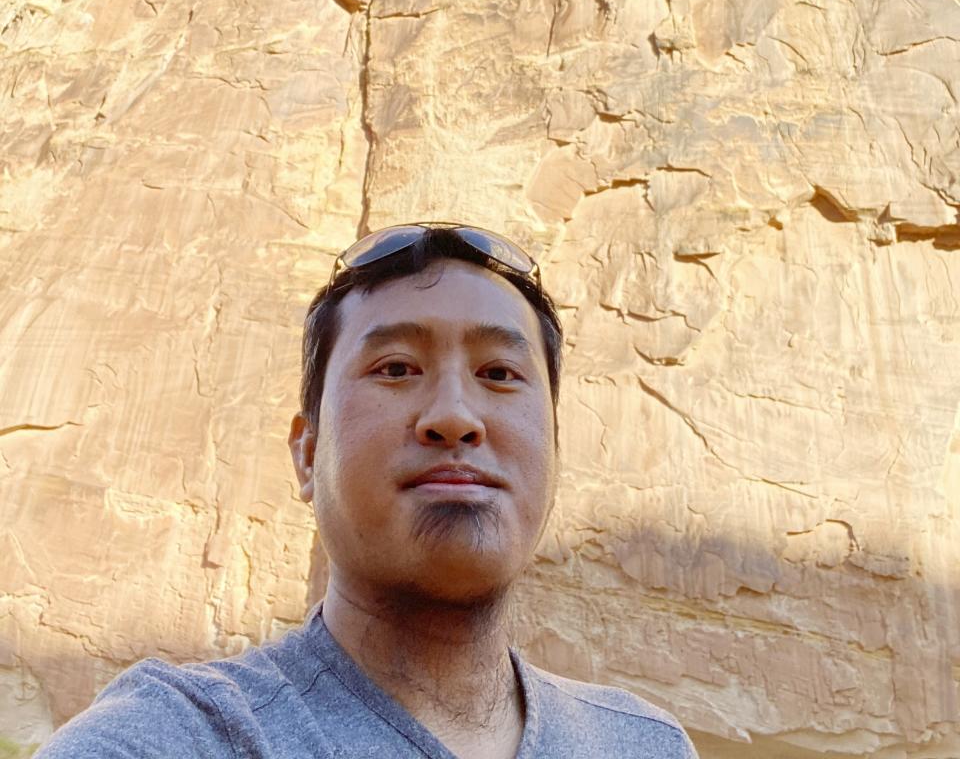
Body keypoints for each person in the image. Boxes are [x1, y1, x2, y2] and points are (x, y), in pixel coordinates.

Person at [37, 222, 699, 757]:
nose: (454, 417)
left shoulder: (644, 743)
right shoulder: (177, 738)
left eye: (499, 373)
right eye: (396, 368)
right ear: (306, 452)